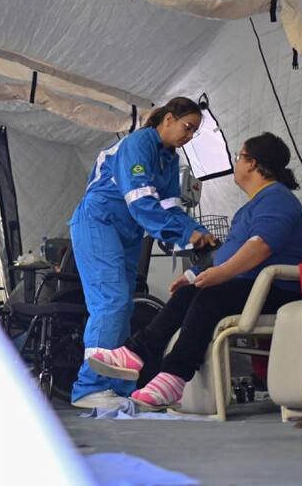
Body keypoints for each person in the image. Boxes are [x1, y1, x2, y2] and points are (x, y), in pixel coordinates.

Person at [86, 132, 302, 411]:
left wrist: (222, 274)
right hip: (247, 288)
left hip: (275, 291)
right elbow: (231, 251)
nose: (236, 163)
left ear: (252, 163)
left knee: (209, 296)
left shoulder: (276, 198)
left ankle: (173, 376)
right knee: (188, 294)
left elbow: (260, 246)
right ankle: (137, 354)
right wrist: (194, 275)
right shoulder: (251, 207)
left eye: (239, 156)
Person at [69, 97, 217, 409]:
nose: (188, 136)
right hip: (100, 222)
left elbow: (170, 207)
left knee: (124, 307)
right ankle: (88, 388)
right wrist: (181, 233)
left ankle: (119, 388)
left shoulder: (168, 160)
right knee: (112, 302)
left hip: (127, 231)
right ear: (167, 119)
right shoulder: (137, 145)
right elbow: (139, 200)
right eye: (186, 127)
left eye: (193, 132)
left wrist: (196, 233)